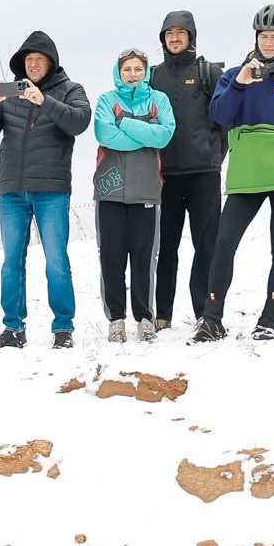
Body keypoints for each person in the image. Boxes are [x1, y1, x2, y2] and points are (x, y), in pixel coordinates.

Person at [194, 4, 274, 342]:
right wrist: (240, 83)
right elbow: (219, 115)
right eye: (263, 36)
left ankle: (269, 319)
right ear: (255, 37)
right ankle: (211, 318)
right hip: (247, 172)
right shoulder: (233, 75)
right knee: (224, 244)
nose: (268, 42)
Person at [0, 31, 92, 348]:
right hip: (12, 191)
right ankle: (13, 328)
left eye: (39, 58)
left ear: (51, 62)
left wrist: (45, 101)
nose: (34, 64)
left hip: (51, 191)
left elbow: (80, 122)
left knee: (56, 261)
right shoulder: (10, 95)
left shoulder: (70, 90)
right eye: (28, 59)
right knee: (12, 262)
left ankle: (63, 328)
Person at [90, 49, 176, 341]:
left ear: (146, 71)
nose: (133, 75)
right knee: (111, 257)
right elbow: (105, 135)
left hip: (147, 189)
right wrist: (145, 130)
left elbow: (164, 135)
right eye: (127, 69)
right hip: (109, 190)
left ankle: (144, 318)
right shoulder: (106, 100)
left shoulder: (158, 100)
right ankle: (116, 319)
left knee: (144, 257)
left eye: (138, 69)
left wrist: (124, 123)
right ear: (119, 72)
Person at [148, 11, 224, 333]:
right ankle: (162, 313)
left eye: (181, 32)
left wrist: (214, 156)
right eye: (169, 33)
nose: (175, 38)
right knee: (165, 247)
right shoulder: (153, 76)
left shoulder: (210, 73)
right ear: (163, 39)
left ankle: (204, 313)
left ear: (191, 37)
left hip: (203, 174)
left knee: (206, 245)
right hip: (164, 177)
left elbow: (224, 121)